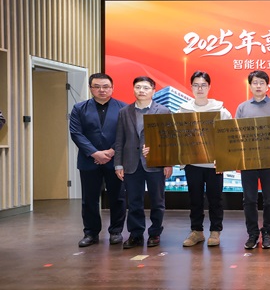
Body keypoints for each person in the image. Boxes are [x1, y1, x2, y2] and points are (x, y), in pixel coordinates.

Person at [69, 73, 128, 247]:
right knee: (89, 199)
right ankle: (91, 233)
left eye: (105, 86)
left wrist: (110, 152)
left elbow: (126, 133)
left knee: (118, 197)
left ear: (112, 88)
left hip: (115, 160)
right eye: (97, 86)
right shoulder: (79, 108)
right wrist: (95, 153)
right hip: (89, 161)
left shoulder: (123, 108)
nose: (101, 90)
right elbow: (76, 133)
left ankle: (116, 232)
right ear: (90, 88)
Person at [114, 76, 173, 249]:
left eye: (146, 88)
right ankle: (136, 234)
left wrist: (168, 163)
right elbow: (119, 140)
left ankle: (155, 233)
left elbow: (169, 140)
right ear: (133, 89)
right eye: (138, 87)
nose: (141, 90)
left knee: (157, 201)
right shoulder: (124, 112)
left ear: (153, 91)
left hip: (156, 163)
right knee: (134, 202)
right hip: (131, 163)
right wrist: (118, 164)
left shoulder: (163, 111)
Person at [178, 71, 232, 248]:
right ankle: (197, 231)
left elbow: (228, 137)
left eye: (203, 85)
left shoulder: (220, 110)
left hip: (214, 164)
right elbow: (178, 137)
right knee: (195, 199)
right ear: (191, 87)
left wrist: (223, 159)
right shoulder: (183, 110)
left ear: (209, 87)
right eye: (196, 85)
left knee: (215, 199)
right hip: (192, 163)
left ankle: (215, 231)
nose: (199, 89)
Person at [235, 70, 270, 250]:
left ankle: (267, 233)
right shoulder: (242, 108)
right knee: (249, 199)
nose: (258, 86)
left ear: (267, 86)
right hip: (248, 161)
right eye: (255, 83)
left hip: (269, 160)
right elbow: (236, 136)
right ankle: (252, 234)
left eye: (261, 83)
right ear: (250, 86)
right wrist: (237, 159)